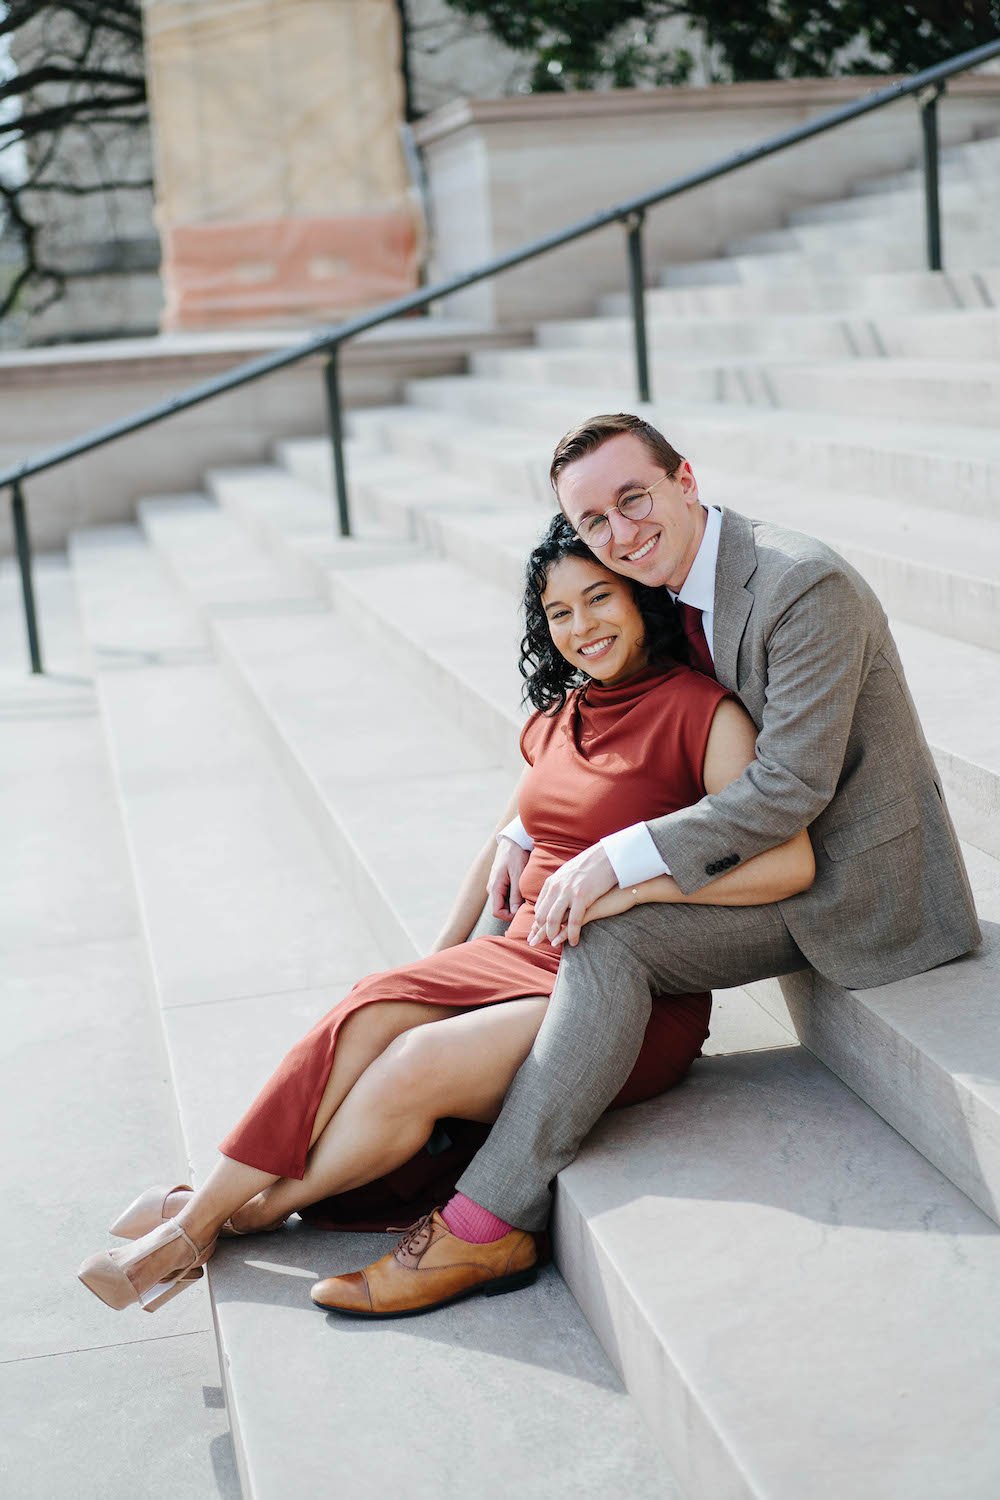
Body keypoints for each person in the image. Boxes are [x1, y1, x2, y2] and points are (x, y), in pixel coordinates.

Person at [76, 515, 816, 1318]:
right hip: (517, 958)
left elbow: (784, 864)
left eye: (599, 598)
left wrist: (637, 889)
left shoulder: (704, 715)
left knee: (414, 1063)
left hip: (622, 990)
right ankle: (210, 1215)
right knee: (372, 1010)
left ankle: (216, 1219)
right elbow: (504, 842)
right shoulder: (555, 722)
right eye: (559, 613)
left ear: (642, 599)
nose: (581, 627)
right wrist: (429, 968)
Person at [330, 410, 981, 1318]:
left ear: (685, 480)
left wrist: (615, 856)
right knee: (523, 890)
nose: (619, 534)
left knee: (609, 928)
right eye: (594, 522)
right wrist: (529, 827)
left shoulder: (801, 584)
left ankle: (484, 1222)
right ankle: (406, 1126)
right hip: (742, 858)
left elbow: (789, 789)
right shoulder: (661, 578)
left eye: (633, 500)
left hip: (846, 881)